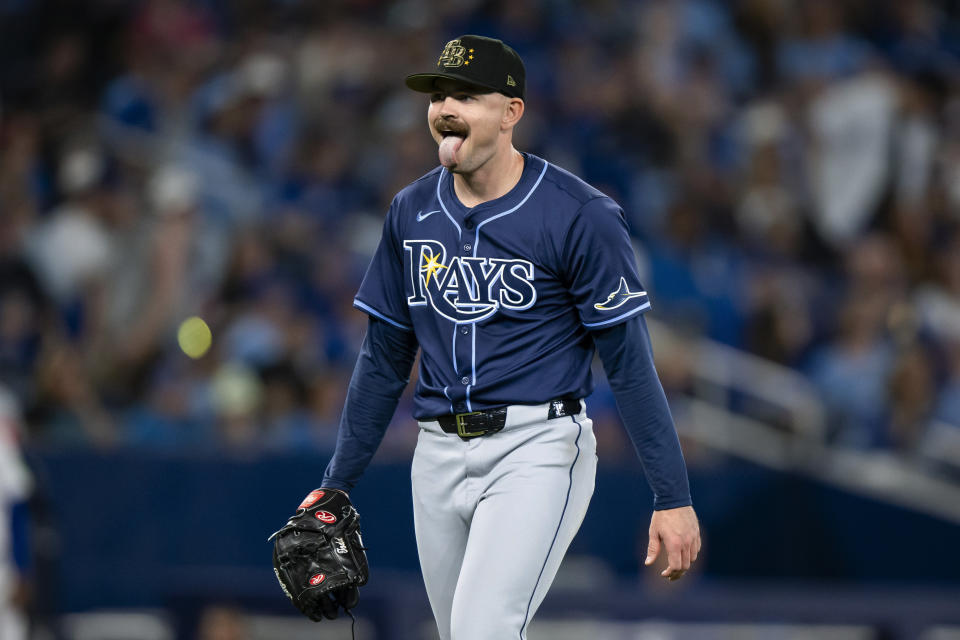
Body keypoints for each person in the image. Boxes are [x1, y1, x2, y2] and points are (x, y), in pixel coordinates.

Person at [318, 35, 700, 639]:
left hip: (536, 449)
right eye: (439, 94)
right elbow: (384, 360)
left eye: (467, 96)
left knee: (481, 632)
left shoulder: (579, 213)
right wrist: (335, 484)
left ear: (511, 112)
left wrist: (672, 495)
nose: (447, 108)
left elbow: (628, 362)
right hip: (436, 453)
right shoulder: (410, 210)